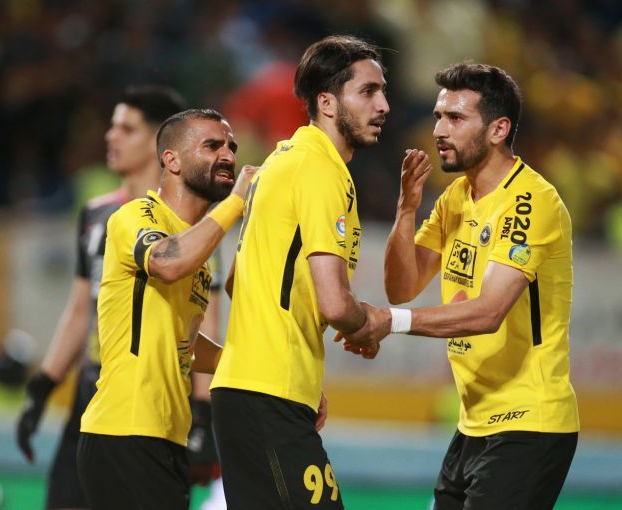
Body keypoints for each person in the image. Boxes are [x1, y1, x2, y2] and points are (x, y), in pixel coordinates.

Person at [340, 62, 579, 509]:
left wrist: (388, 322)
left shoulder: (531, 202)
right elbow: (402, 286)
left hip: (528, 425)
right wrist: (406, 210)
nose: (438, 130)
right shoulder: (456, 197)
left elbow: (489, 312)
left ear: (498, 129)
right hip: (473, 426)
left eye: (455, 118)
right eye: (438, 116)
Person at [209, 35, 389, 510]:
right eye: (368, 91)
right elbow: (334, 302)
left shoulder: (281, 162)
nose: (384, 105)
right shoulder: (318, 169)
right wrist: (368, 325)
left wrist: (302, 376)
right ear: (327, 102)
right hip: (269, 392)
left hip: (255, 387)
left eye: (382, 91)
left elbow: (240, 282)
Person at [15, 85, 187, 510]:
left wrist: (201, 413)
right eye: (112, 127)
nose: (111, 137)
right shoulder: (96, 214)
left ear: (159, 141)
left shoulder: (185, 226)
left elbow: (203, 319)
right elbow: (80, 309)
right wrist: (43, 387)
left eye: (126, 129)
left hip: (147, 404)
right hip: (90, 395)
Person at [76, 108, 256, 510]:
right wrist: (236, 203)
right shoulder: (136, 216)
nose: (228, 155)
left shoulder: (196, 250)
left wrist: (261, 374)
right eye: (212, 145)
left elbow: (184, 342)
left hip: (166, 438)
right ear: (171, 160)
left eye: (231, 146)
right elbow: (166, 263)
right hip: (124, 431)